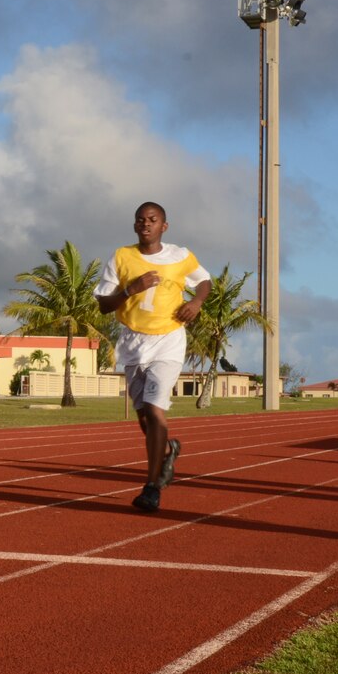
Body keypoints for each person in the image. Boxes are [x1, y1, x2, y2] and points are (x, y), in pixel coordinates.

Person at [95, 202, 211, 512]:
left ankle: (152, 487)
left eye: (152, 219)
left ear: (164, 226)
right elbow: (104, 305)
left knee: (154, 409)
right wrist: (130, 290)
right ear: (134, 226)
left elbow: (204, 280)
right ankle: (168, 451)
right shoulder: (121, 257)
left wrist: (197, 302)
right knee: (144, 419)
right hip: (133, 342)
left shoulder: (179, 256)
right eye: (140, 220)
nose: (146, 224)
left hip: (169, 340)